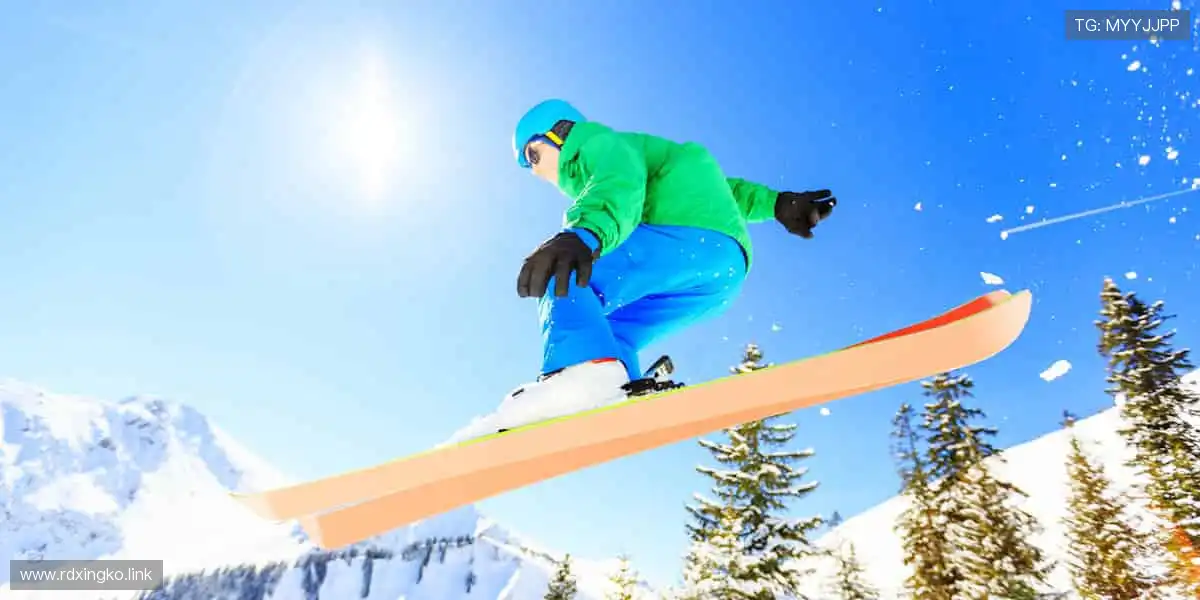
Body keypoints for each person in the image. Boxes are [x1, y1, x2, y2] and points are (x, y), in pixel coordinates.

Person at [448, 99, 836, 442]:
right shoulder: (660, 159)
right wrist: (778, 203)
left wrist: (583, 235)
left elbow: (619, 183)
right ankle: (615, 385)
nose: (532, 171)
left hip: (684, 241)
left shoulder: (599, 144)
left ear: (560, 133)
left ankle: (579, 376)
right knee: (606, 330)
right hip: (721, 271)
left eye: (531, 156)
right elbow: (726, 190)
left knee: (564, 272)